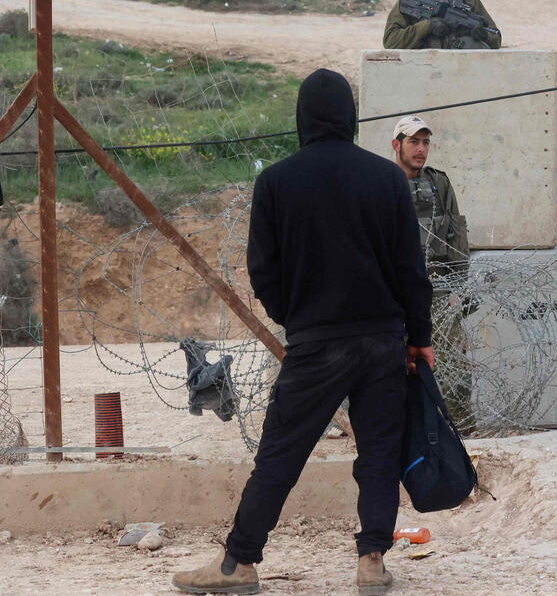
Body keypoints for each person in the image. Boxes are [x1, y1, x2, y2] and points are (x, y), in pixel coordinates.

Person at [171, 69, 433, 595]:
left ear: (302, 118)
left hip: (316, 342)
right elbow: (411, 269)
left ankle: (239, 564)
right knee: (379, 453)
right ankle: (372, 561)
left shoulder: (276, 181)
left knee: (281, 454)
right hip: (383, 338)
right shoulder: (386, 179)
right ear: (350, 116)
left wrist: (300, 318)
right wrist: (418, 336)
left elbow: (264, 271)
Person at [391, 115, 473, 428]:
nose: (421, 149)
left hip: (437, 287)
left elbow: (456, 236)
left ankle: (461, 428)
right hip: (396, 290)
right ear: (396, 144)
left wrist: (457, 289)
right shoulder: (385, 181)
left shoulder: (438, 182)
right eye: (413, 141)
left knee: (453, 361)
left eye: (425, 142)